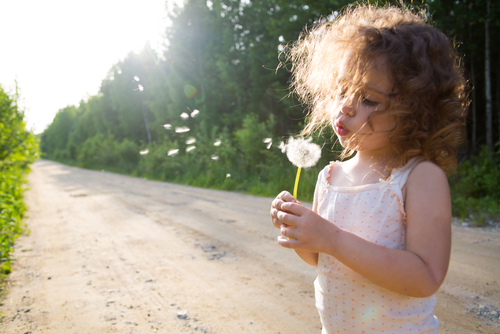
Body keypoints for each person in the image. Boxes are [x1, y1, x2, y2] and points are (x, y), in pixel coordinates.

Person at [270, 4, 468, 333]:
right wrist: (303, 234)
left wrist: (331, 238)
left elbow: (424, 277)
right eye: (342, 89)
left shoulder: (419, 178)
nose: (345, 106)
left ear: (415, 109)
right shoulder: (330, 176)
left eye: (368, 99)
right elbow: (323, 260)